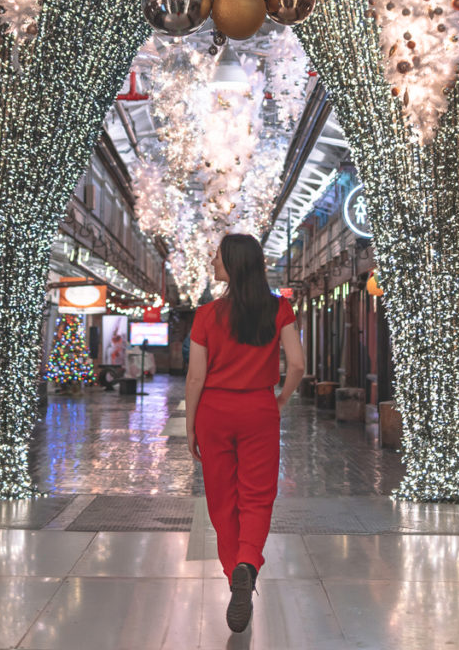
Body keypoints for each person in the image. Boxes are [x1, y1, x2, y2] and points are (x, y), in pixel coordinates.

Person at [185, 233, 305, 633]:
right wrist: (281, 400)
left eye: (216, 257)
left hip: (214, 413)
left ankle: (234, 568)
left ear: (233, 266)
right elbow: (299, 365)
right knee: (257, 495)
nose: (212, 263)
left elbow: (196, 375)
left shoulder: (206, 316)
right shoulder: (279, 309)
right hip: (258, 409)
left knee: (222, 498)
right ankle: (247, 562)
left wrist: (190, 425)